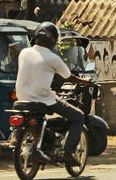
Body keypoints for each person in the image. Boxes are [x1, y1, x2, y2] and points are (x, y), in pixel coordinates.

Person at [15, 22, 91, 166]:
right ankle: (68, 153)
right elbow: (69, 77)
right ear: (54, 40)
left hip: (22, 98)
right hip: (43, 99)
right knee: (78, 116)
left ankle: (45, 142)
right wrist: (85, 82)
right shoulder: (53, 59)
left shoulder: (24, 52)